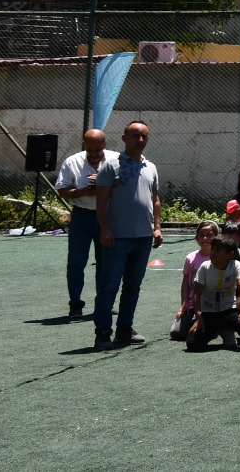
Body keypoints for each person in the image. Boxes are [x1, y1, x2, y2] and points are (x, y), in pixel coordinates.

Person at [93, 120, 162, 349]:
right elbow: (101, 201)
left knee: (133, 286)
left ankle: (124, 330)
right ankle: (103, 332)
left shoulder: (150, 167)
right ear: (124, 138)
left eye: (143, 136)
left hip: (143, 237)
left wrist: (157, 227)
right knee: (109, 285)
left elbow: (155, 199)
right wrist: (105, 229)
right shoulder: (111, 165)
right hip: (117, 237)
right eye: (135, 135)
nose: (139, 139)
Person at [56, 128, 117, 319]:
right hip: (81, 216)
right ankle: (75, 304)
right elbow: (62, 190)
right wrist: (83, 191)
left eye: (97, 150)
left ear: (104, 145)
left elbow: (126, 186)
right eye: (89, 150)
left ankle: (103, 303)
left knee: (106, 262)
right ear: (84, 146)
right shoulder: (72, 161)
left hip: (107, 217)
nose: (93, 154)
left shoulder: (116, 160)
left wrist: (103, 184)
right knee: (76, 262)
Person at [183, 235, 240, 352]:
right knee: (193, 344)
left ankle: (226, 330)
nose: (213, 252)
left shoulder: (236, 265)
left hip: (228, 309)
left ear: (230, 255)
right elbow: (196, 294)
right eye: (212, 249)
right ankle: (214, 330)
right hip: (208, 312)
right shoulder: (205, 267)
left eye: (218, 250)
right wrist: (199, 318)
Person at [172, 221, 217, 340]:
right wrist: (184, 304)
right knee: (177, 333)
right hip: (192, 303)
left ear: (216, 237)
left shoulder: (218, 258)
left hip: (210, 304)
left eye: (209, 235)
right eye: (201, 235)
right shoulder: (190, 257)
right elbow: (185, 282)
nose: (205, 238)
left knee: (202, 332)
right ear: (196, 238)